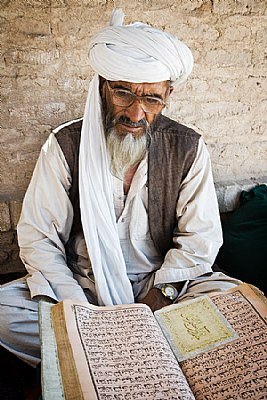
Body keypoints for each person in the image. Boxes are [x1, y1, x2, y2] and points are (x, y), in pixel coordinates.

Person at [0, 9, 241, 367]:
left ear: (168, 95)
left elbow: (199, 241)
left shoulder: (187, 147)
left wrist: (158, 297)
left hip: (161, 289)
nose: (135, 113)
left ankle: (96, 356)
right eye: (123, 93)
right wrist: (78, 310)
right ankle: (141, 354)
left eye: (151, 99)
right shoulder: (65, 144)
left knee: (232, 304)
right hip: (82, 286)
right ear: (103, 88)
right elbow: (39, 238)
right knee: (5, 313)